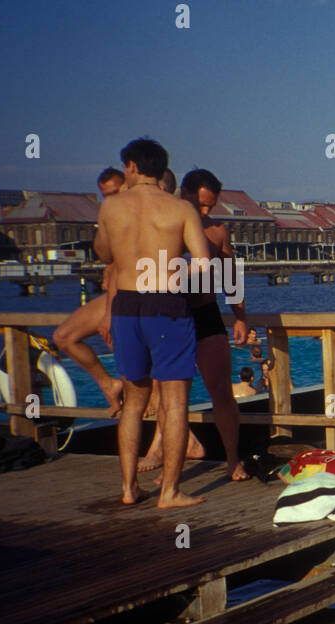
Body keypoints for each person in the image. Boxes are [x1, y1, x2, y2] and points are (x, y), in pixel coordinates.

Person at [95, 137, 211, 508]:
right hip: (166, 303)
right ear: (161, 170)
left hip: (127, 305)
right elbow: (204, 265)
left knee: (133, 400)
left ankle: (129, 489)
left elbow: (104, 253)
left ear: (130, 166)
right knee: (174, 403)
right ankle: (170, 492)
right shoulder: (179, 209)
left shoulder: (111, 207)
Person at [140, 168, 250, 481]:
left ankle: (232, 459)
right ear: (183, 193)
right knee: (174, 396)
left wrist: (240, 316)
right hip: (173, 317)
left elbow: (230, 276)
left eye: (210, 206)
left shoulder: (217, 231)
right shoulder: (163, 225)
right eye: (200, 204)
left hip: (206, 314)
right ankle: (171, 465)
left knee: (221, 392)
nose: (205, 211)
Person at [53, 168, 127, 413]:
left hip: (135, 296)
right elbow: (108, 260)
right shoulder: (109, 219)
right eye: (106, 196)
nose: (111, 200)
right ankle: (108, 384)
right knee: (64, 337)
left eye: (116, 192)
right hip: (115, 295)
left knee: (137, 371)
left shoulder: (138, 214)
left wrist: (109, 313)